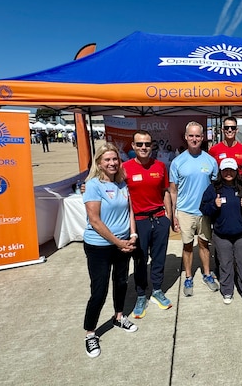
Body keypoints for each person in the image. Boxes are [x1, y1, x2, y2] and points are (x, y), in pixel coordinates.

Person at [82, 143, 138, 359]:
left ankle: (119, 316)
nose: (112, 163)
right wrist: (118, 242)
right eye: (107, 160)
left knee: (122, 282)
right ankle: (90, 333)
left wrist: (131, 236)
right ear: (99, 163)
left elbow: (129, 211)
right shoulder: (93, 185)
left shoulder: (122, 184)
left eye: (115, 159)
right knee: (99, 290)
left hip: (123, 244)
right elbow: (94, 221)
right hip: (100, 246)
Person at [124, 130, 173, 319]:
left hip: (160, 218)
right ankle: (141, 294)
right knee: (140, 260)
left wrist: (169, 216)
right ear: (134, 146)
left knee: (159, 258)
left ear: (152, 145)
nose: (144, 147)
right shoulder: (125, 168)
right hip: (140, 221)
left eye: (147, 144)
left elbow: (165, 192)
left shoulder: (160, 166)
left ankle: (157, 290)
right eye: (140, 144)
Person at [200, 158, 242, 306]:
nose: (228, 173)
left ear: (236, 171)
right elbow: (204, 208)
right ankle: (227, 291)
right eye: (225, 170)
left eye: (231, 170)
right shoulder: (213, 188)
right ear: (221, 171)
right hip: (222, 235)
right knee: (225, 264)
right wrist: (214, 205)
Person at [170, 121, 219, 297]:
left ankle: (207, 274)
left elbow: (215, 186)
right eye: (191, 135)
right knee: (187, 246)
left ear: (203, 137)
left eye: (197, 135)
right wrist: (173, 214)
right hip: (185, 212)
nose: (194, 139)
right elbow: (173, 190)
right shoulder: (177, 162)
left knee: (205, 244)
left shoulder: (211, 161)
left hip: (204, 212)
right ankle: (188, 276)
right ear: (185, 137)